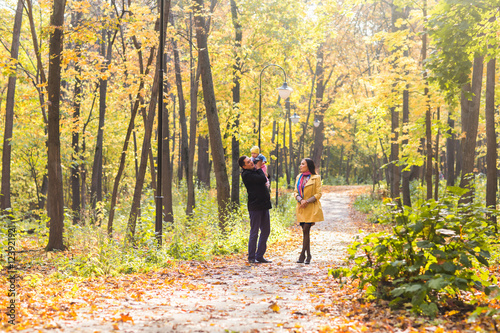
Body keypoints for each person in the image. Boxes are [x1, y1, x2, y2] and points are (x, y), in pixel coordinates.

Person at [239, 155, 273, 264]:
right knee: (254, 232)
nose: (251, 162)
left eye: (251, 160)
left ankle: (260, 255)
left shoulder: (255, 170)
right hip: (255, 207)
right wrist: (259, 168)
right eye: (248, 162)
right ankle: (251, 257)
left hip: (264, 205)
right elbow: (262, 178)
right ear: (244, 166)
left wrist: (260, 167)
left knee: (266, 230)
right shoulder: (246, 175)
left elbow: (267, 176)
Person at [293, 158, 324, 264]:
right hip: (301, 208)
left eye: (303, 164)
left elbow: (318, 194)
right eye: (300, 164)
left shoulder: (316, 178)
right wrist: (301, 200)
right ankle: (309, 255)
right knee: (305, 231)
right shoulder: (299, 177)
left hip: (311, 207)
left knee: (306, 229)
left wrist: (307, 201)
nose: (300, 166)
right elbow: (295, 192)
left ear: (308, 166)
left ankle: (302, 255)